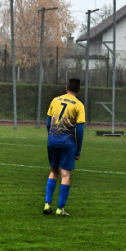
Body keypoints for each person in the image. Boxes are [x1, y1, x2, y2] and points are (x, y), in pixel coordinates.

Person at [43, 77, 85, 217]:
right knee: (65, 175)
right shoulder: (78, 105)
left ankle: (47, 204)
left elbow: (48, 123)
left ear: (66, 87)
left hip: (52, 140)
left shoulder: (55, 100)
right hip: (68, 143)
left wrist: (52, 136)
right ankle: (60, 209)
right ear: (78, 89)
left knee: (53, 171)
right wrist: (78, 150)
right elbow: (79, 131)